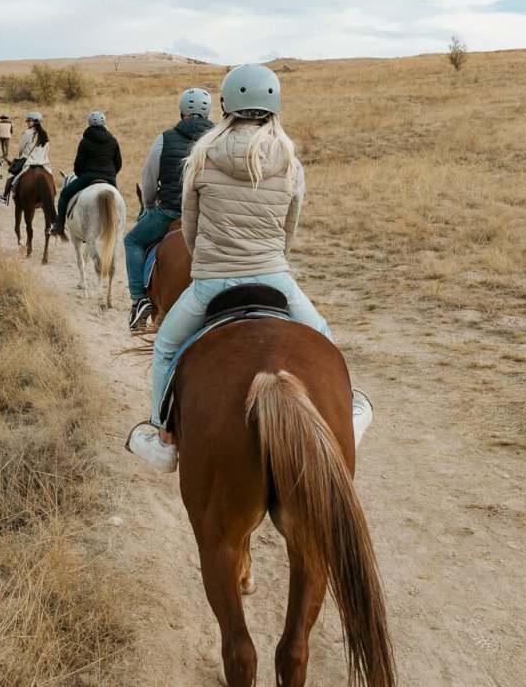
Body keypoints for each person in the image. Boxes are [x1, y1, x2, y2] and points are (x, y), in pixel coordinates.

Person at [127, 63, 371, 472]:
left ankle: (164, 437)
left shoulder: (201, 156)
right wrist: (269, 258)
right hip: (275, 275)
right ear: (274, 104)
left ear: (226, 104)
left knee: (166, 347)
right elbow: (288, 230)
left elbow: (190, 227)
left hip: (210, 282)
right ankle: (347, 413)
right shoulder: (291, 160)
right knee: (323, 336)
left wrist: (210, 261)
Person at [125, 87, 214, 331]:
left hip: (171, 213)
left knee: (132, 241)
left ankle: (139, 301)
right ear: (208, 113)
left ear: (182, 111)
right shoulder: (220, 138)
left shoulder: (165, 138)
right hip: (210, 217)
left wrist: (149, 205)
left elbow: (149, 182)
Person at [48, 111, 122, 236]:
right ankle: (118, 229)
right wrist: (111, 174)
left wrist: (81, 174)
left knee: (65, 194)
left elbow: (78, 164)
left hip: (89, 177)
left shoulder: (85, 141)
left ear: (89, 124)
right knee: (119, 203)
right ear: (104, 123)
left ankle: (59, 225)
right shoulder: (113, 141)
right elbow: (118, 163)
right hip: (109, 178)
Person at [0, 111, 51, 202]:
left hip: (28, 161)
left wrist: (21, 157)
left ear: (36, 121)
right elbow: (46, 149)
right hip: (43, 162)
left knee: (11, 174)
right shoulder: (44, 134)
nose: (27, 122)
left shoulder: (27, 133)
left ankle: (4, 195)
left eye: (29, 120)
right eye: (27, 120)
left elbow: (21, 148)